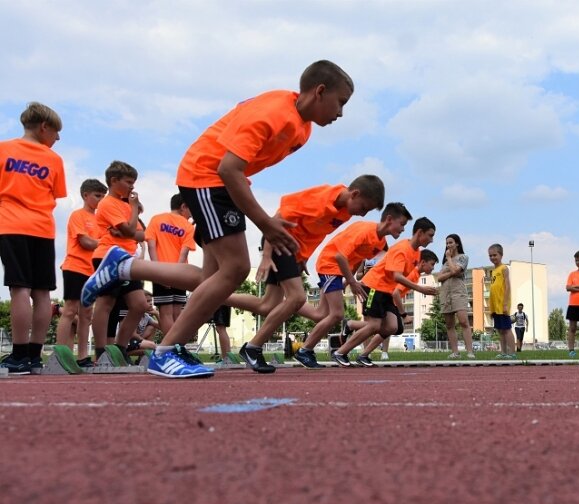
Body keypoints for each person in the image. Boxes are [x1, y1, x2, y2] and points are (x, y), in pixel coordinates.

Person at [82, 60, 355, 378]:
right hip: (207, 176)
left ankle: (125, 266)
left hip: (222, 181)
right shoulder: (272, 113)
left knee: (209, 280)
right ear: (320, 92)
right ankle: (164, 352)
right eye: (341, 103)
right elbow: (228, 168)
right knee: (236, 268)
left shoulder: (302, 129)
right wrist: (265, 223)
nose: (341, 114)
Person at [241, 175, 384, 372]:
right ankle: (252, 347)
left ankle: (216, 296)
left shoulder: (345, 212)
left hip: (294, 250)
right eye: (363, 208)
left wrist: (304, 257)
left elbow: (319, 232)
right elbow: (277, 219)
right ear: (355, 194)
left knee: (268, 305)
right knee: (297, 298)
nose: (362, 214)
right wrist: (266, 254)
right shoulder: (321, 198)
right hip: (279, 241)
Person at [292, 202, 411, 369]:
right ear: (389, 219)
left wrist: (348, 282)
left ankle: (289, 305)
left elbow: (357, 260)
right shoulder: (364, 230)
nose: (403, 229)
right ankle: (305, 350)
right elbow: (340, 256)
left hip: (339, 272)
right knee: (337, 314)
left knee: (321, 314)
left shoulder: (379, 241)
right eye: (402, 224)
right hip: (330, 264)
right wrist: (353, 282)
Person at [0, 102, 66, 374]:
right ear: (44, 127)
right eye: (56, 132)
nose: (58, 139)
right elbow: (55, 195)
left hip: (11, 225)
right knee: (42, 293)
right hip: (42, 228)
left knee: (20, 289)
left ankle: (18, 356)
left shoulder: (3, 150)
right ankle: (35, 357)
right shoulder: (53, 159)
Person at [332, 218, 438, 367]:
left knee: (392, 327)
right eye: (430, 235)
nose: (432, 240)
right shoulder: (402, 249)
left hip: (386, 291)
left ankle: (362, 352)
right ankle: (340, 352)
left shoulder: (416, 253)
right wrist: (420, 289)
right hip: (373, 286)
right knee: (374, 325)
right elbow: (397, 276)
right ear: (420, 233)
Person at [89, 161, 148, 363]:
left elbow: (141, 234)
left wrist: (128, 230)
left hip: (128, 259)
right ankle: (100, 352)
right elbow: (132, 231)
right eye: (129, 182)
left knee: (139, 304)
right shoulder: (107, 203)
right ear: (114, 181)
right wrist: (132, 212)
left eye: (133, 182)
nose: (132, 187)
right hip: (108, 256)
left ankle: (120, 348)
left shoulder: (124, 205)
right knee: (106, 303)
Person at [353, 250, 439, 366]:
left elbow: (396, 290)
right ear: (423, 262)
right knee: (375, 326)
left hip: (387, 297)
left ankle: (365, 354)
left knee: (394, 328)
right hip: (375, 291)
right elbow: (396, 292)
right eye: (432, 264)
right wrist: (404, 314)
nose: (433, 268)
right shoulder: (410, 272)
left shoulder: (414, 273)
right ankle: (350, 329)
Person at [56, 178, 106, 368]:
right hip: (75, 267)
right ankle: (61, 353)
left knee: (86, 315)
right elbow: (85, 242)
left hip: (92, 270)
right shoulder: (78, 215)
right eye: (97, 196)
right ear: (86, 195)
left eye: (103, 196)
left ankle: (82, 356)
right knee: (70, 310)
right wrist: (105, 244)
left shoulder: (100, 221)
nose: (101, 200)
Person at [145, 194, 195, 334]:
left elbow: (151, 246)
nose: (191, 215)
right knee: (177, 313)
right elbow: (184, 253)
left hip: (161, 271)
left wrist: (158, 271)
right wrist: (176, 273)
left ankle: (170, 348)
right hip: (180, 273)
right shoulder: (188, 226)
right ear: (183, 206)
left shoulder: (156, 219)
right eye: (190, 210)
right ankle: (178, 346)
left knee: (165, 313)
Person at [436, 234, 474, 359]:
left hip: (459, 293)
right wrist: (450, 272)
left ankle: (470, 352)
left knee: (463, 321)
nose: (448, 245)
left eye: (451, 242)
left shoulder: (463, 257)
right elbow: (439, 278)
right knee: (449, 325)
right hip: (446, 294)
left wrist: (449, 259)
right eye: (447, 243)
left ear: (457, 243)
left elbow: (457, 271)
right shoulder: (445, 263)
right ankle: (455, 352)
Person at [488, 243, 514, 359]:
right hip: (494, 305)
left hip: (502, 304)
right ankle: (503, 352)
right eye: (490, 256)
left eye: (495, 255)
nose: (493, 257)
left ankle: (512, 353)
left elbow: (508, 287)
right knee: (500, 330)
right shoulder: (493, 271)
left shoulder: (504, 268)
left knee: (507, 329)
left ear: (501, 255)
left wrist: (505, 304)